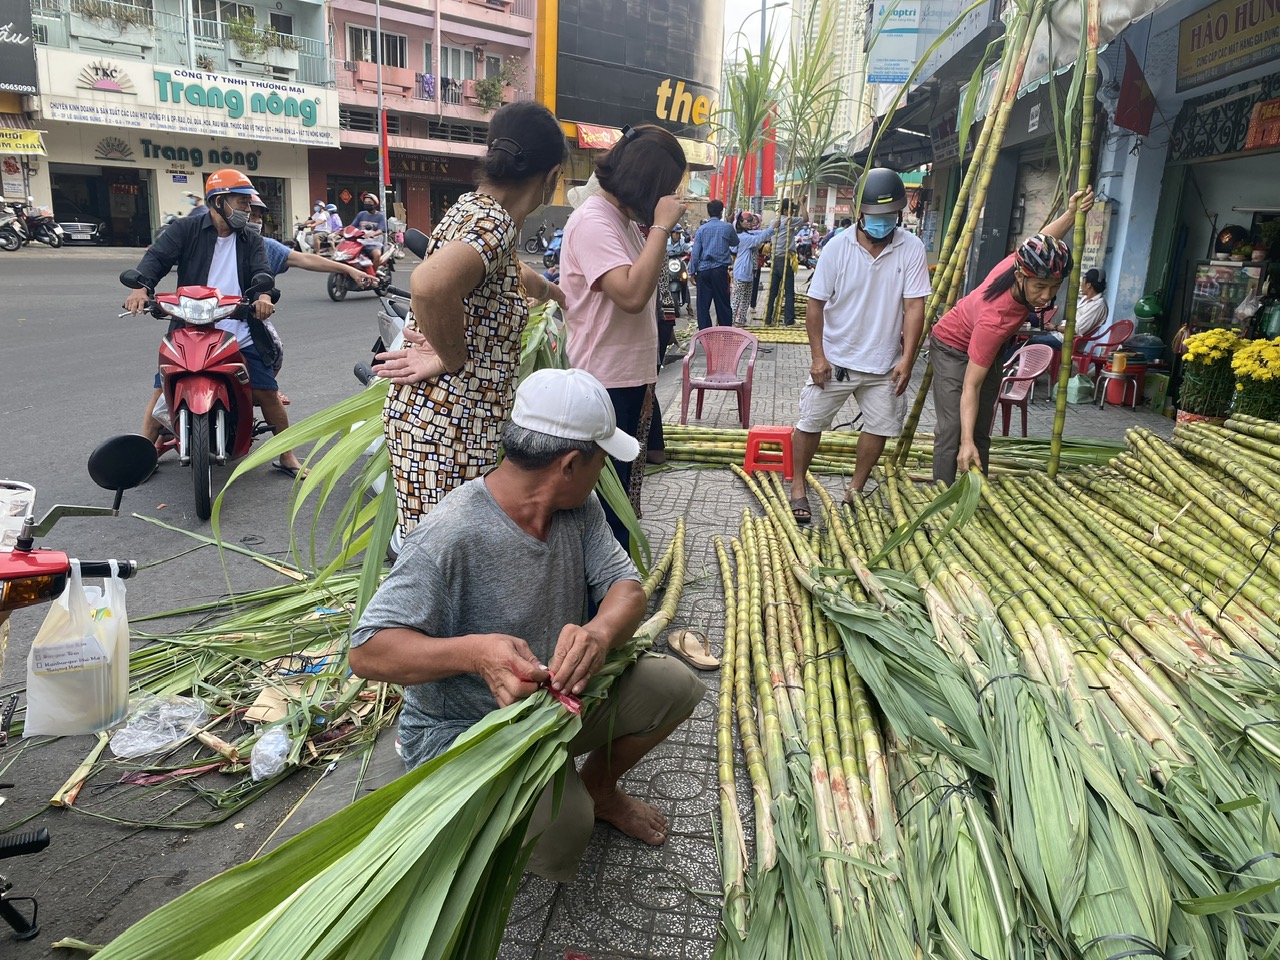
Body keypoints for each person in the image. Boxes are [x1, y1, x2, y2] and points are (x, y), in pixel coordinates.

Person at [349, 368, 705, 881]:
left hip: (554, 701)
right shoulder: (450, 534)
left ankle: (600, 791)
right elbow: (367, 651)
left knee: (673, 686)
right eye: (601, 459)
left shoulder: (577, 509)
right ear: (570, 464)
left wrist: (599, 634)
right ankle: (481, 845)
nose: (604, 471)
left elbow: (627, 588)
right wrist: (475, 654)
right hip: (468, 728)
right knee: (565, 827)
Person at [372, 101, 567, 535]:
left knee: (440, 549)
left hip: (439, 423)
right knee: (443, 557)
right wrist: (451, 357)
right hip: (451, 430)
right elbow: (429, 284)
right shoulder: (495, 225)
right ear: (551, 175)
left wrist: (550, 291)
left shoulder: (475, 208)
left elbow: (502, 266)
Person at [123, 169, 307, 477]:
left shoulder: (250, 238)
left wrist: (263, 296)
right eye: (242, 202)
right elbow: (157, 259)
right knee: (161, 391)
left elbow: (262, 273)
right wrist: (141, 288)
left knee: (267, 392)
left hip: (239, 327)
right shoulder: (186, 229)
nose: (248, 208)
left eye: (248, 203)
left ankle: (287, 456)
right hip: (189, 326)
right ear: (219, 201)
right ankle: (144, 456)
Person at [560, 123, 688, 550]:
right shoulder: (594, 221)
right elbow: (631, 295)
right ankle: (604, 583)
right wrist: (662, 228)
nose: (668, 198)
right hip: (605, 383)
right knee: (606, 503)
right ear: (647, 184)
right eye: (666, 189)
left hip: (628, 380)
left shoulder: (624, 222)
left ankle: (617, 572)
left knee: (623, 496)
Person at [788, 169, 932, 522]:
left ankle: (855, 488)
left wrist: (908, 359)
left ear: (899, 213)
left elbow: (915, 307)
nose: (882, 222)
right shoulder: (837, 247)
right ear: (860, 212)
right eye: (875, 215)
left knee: (880, 427)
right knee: (810, 422)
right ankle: (798, 486)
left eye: (889, 215)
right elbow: (815, 305)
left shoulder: (911, 248)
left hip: (884, 363)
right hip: (837, 359)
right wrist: (818, 357)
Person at [931, 188, 1094, 484]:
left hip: (990, 348)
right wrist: (965, 442)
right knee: (954, 429)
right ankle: (941, 492)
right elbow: (970, 386)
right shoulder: (995, 318)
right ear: (1021, 277)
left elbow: (1044, 239)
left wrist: (1072, 213)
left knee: (981, 428)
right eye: (1040, 287)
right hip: (952, 345)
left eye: (1054, 288)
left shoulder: (1023, 262)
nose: (1046, 296)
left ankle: (976, 490)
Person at [1028, 267, 1109, 346]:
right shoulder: (1086, 298)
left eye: (1083, 282)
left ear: (1088, 285)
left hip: (1067, 341)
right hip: (1059, 335)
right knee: (1032, 337)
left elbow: (1076, 330)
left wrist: (1055, 327)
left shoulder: (1098, 305)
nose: (1081, 285)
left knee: (1031, 342)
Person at [689, 199, 737, 329]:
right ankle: (725, 332)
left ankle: (705, 334)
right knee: (722, 304)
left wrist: (691, 272)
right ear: (721, 212)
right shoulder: (727, 227)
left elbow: (695, 253)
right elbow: (735, 242)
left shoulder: (701, 230)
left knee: (703, 306)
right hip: (719, 271)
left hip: (703, 271)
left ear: (709, 212)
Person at [765, 196, 808, 325]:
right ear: (785, 210)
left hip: (775, 259)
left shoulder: (773, 222)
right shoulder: (789, 220)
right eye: (791, 210)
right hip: (785, 260)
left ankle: (767, 318)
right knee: (789, 292)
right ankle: (789, 320)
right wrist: (801, 203)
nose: (793, 212)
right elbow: (806, 218)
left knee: (772, 292)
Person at [731, 212, 773, 327]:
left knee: (746, 298)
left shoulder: (748, 234)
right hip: (742, 271)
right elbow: (758, 238)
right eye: (748, 221)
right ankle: (730, 322)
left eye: (751, 221)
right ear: (740, 222)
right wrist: (772, 228)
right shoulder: (743, 237)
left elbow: (759, 233)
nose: (751, 223)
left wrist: (773, 228)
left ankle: (740, 320)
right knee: (737, 299)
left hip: (749, 272)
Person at [351, 192, 387, 270]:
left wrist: (373, 234)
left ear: (375, 204)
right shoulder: (361, 214)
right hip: (360, 241)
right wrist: (340, 232)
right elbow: (352, 226)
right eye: (365, 202)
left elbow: (381, 230)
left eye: (369, 202)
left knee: (377, 255)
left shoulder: (380, 216)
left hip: (374, 243)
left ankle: (373, 274)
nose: (367, 204)